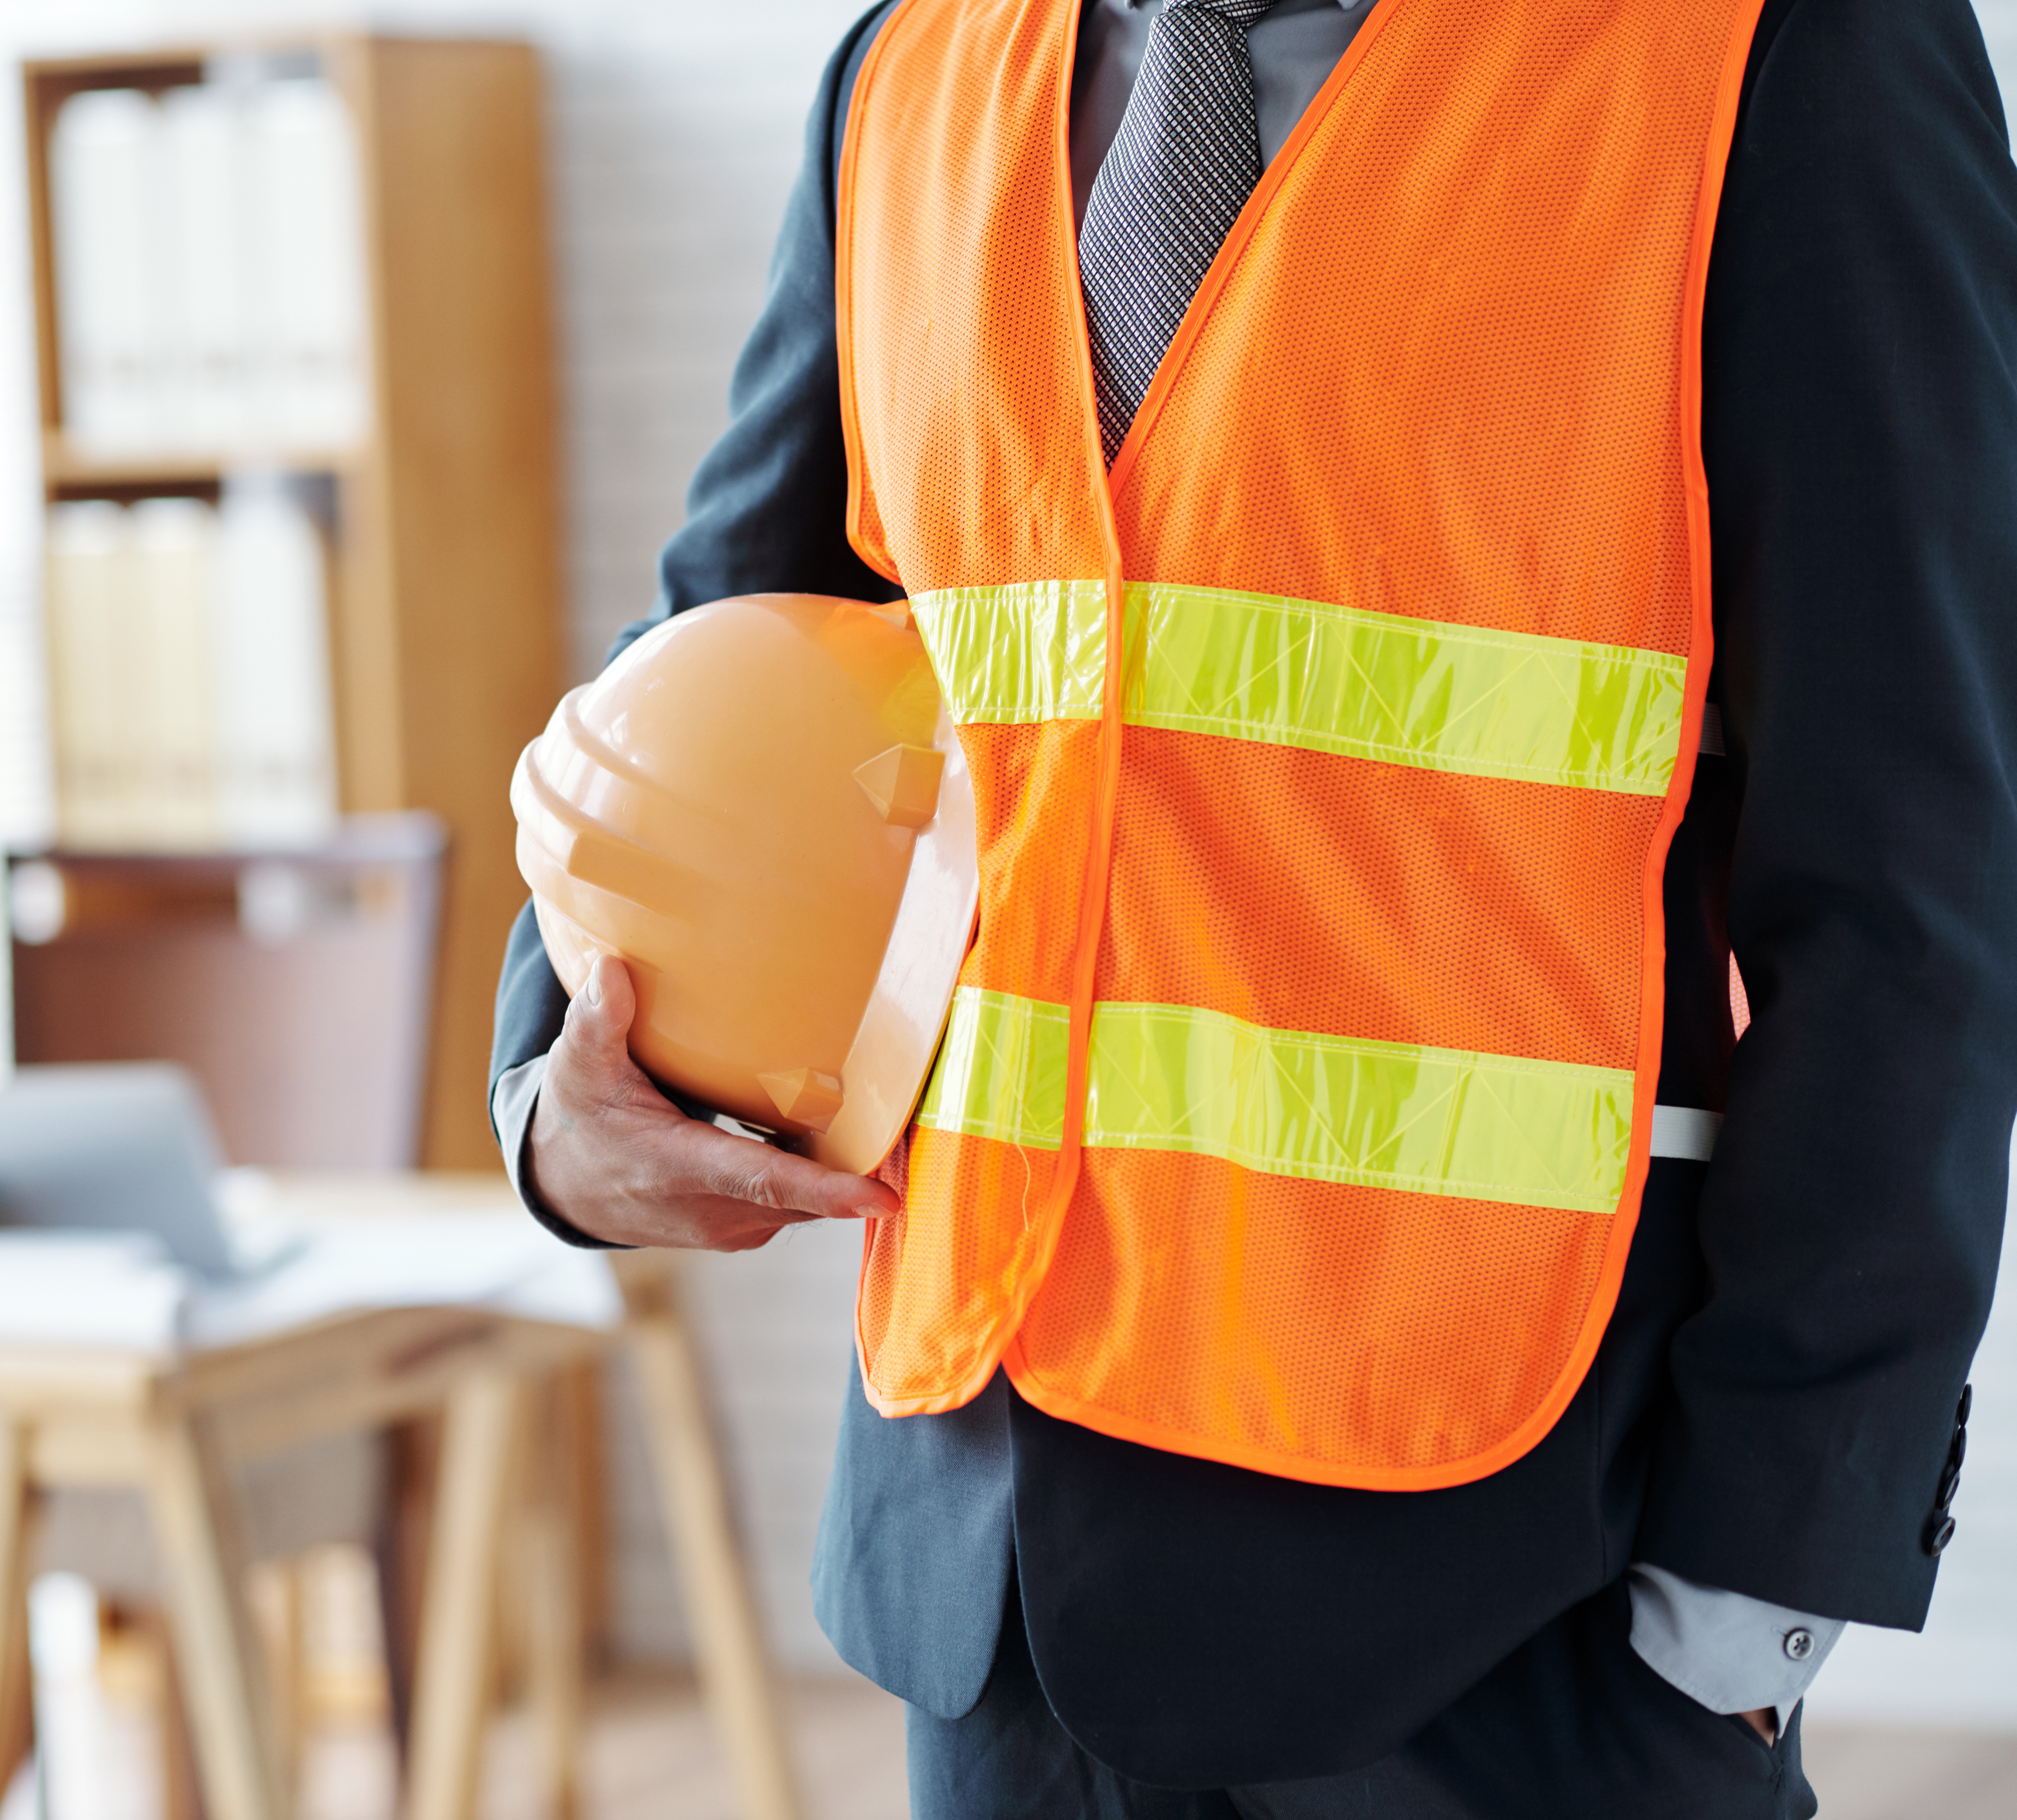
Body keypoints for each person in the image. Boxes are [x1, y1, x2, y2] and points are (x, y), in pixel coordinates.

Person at [490, 0, 2017, 1811]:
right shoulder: (912, 67)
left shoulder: (1775, 51)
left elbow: (1916, 875)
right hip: (988, 1581)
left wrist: (1749, 1609)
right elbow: (722, 640)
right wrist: (558, 1081)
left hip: (1513, 1594)